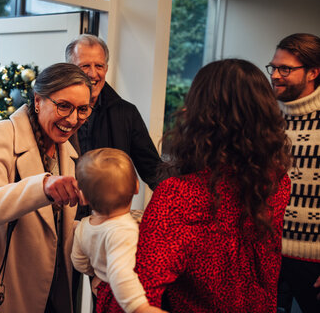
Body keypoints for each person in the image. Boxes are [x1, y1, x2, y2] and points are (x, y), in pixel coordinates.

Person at [96, 59, 292, 312]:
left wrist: (105, 280)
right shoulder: (276, 183)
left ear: (201, 115)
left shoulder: (181, 194)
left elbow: (137, 295)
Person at [0, 63, 91, 313]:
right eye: (64, 106)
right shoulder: (3, 136)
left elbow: (53, 229)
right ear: (38, 101)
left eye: (82, 109)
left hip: (49, 293)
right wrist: (42, 187)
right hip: (2, 293)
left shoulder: (68, 153)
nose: (73, 119)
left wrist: (103, 230)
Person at [72, 148, 166, 313]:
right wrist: (141, 307)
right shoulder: (123, 230)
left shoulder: (83, 226)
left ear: (84, 198)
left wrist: (98, 274)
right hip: (125, 299)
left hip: (103, 291)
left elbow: (78, 261)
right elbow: (120, 273)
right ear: (137, 187)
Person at [65, 34, 162, 191]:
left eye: (99, 66)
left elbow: (153, 170)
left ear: (107, 69)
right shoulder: (55, 112)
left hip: (109, 212)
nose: (92, 73)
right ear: (69, 68)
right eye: (85, 66)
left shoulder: (127, 114)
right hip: (63, 211)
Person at [267, 33, 320, 313]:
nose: (275, 75)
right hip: (267, 254)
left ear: (313, 72)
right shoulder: (268, 118)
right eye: (273, 67)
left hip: (313, 263)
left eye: (285, 69)